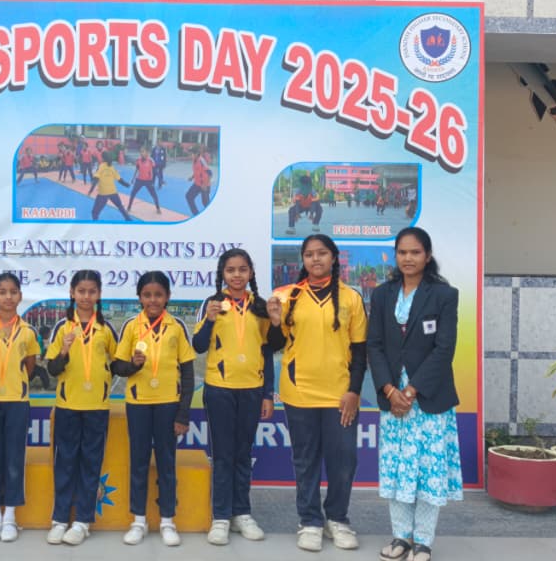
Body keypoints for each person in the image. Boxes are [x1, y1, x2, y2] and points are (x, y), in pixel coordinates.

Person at [266, 234, 366, 553]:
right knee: (305, 459)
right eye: (309, 254)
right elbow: (274, 345)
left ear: (333, 257)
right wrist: (274, 322)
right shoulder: (287, 296)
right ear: (303, 260)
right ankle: (309, 520)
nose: (315, 259)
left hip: (339, 394)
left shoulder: (351, 298)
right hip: (300, 391)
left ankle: (337, 518)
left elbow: (360, 351)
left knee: (343, 460)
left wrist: (354, 391)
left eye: (322, 253)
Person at [368, 227, 462, 561]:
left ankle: (423, 542)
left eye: (415, 252)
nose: (408, 258)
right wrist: (389, 389)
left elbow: (444, 348)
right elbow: (375, 345)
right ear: (395, 255)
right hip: (393, 399)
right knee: (398, 470)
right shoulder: (382, 294)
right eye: (402, 252)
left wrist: (409, 391)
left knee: (426, 472)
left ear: (428, 255)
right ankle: (400, 537)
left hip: (427, 398)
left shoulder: (444, 295)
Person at [192, 249, 280, 545]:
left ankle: (242, 512)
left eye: (242, 269)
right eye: (231, 270)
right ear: (223, 274)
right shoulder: (212, 304)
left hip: (252, 389)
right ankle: (220, 516)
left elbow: (269, 350)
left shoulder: (260, 306)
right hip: (219, 388)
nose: (237, 275)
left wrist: (268, 393)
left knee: (243, 453)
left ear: (251, 272)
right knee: (223, 454)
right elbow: (198, 345)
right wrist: (209, 320)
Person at [112, 271, 195, 547]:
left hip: (168, 404)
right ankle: (138, 520)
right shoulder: (131, 326)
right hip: (138, 404)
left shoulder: (176, 327)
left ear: (167, 297)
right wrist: (133, 365)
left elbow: (187, 373)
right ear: (139, 298)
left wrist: (183, 413)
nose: (153, 300)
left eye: (158, 295)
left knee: (166, 463)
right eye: (147, 295)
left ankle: (167, 520)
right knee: (138, 462)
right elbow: (118, 367)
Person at [44, 270, 117, 546]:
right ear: (72, 293)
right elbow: (52, 369)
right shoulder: (62, 328)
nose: (86, 297)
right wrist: (64, 351)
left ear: (99, 294)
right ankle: (60, 519)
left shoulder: (105, 329)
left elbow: (118, 362)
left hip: (97, 406)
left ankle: (83, 521)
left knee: (90, 463)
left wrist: (135, 362)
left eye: (92, 291)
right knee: (65, 463)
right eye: (81, 291)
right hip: (68, 405)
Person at [0, 273, 41, 543]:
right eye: (2, 292)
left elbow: (31, 366)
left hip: (17, 401)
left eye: (13, 292)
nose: (8, 297)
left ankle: (10, 515)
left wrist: (18, 383)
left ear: (20, 296)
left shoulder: (28, 331)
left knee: (14, 457)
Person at [89, 151, 131, 221]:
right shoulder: (112, 167)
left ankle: (96, 224)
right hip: (113, 192)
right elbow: (119, 179)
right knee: (120, 206)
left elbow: (96, 179)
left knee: (94, 212)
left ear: (103, 158)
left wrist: (90, 191)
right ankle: (128, 220)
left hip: (103, 194)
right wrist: (127, 185)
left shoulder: (101, 166)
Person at [127, 147, 161, 214]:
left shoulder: (151, 161)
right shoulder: (138, 160)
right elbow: (137, 170)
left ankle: (158, 208)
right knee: (132, 193)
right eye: (141, 152)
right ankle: (129, 207)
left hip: (148, 181)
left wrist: (160, 179)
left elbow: (155, 171)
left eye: (143, 151)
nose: (141, 153)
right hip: (139, 180)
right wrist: (133, 178)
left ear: (146, 153)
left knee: (154, 195)